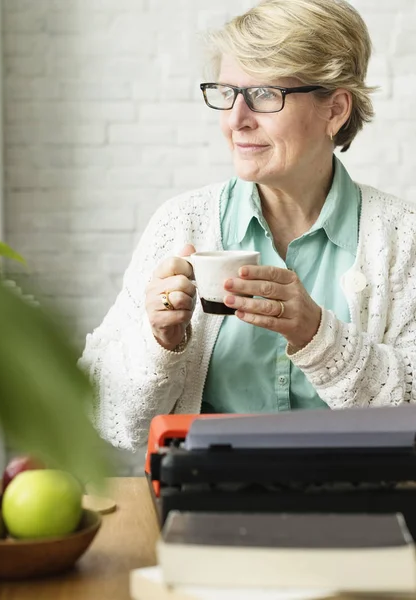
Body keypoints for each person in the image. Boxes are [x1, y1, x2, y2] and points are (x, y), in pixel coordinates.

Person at [79, 0, 416, 452]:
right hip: (207, 496)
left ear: (334, 110)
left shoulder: (400, 237)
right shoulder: (182, 223)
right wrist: (158, 341)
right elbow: (107, 413)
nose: (235, 120)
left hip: (358, 501)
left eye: (263, 95)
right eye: (227, 93)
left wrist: (317, 335)